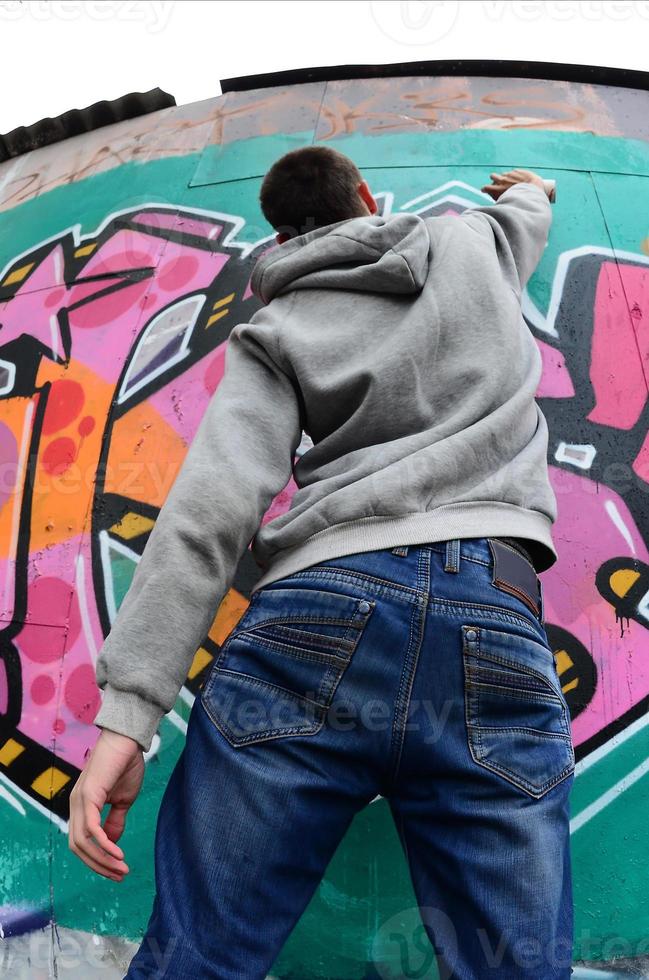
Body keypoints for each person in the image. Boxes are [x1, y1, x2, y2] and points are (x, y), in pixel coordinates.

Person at [69, 147, 574, 979]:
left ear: (282, 235)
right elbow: (528, 213)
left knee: (199, 959)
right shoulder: (474, 244)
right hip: (491, 612)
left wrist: (127, 717)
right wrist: (531, 187)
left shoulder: (276, 325)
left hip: (317, 614)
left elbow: (210, 512)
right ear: (367, 197)